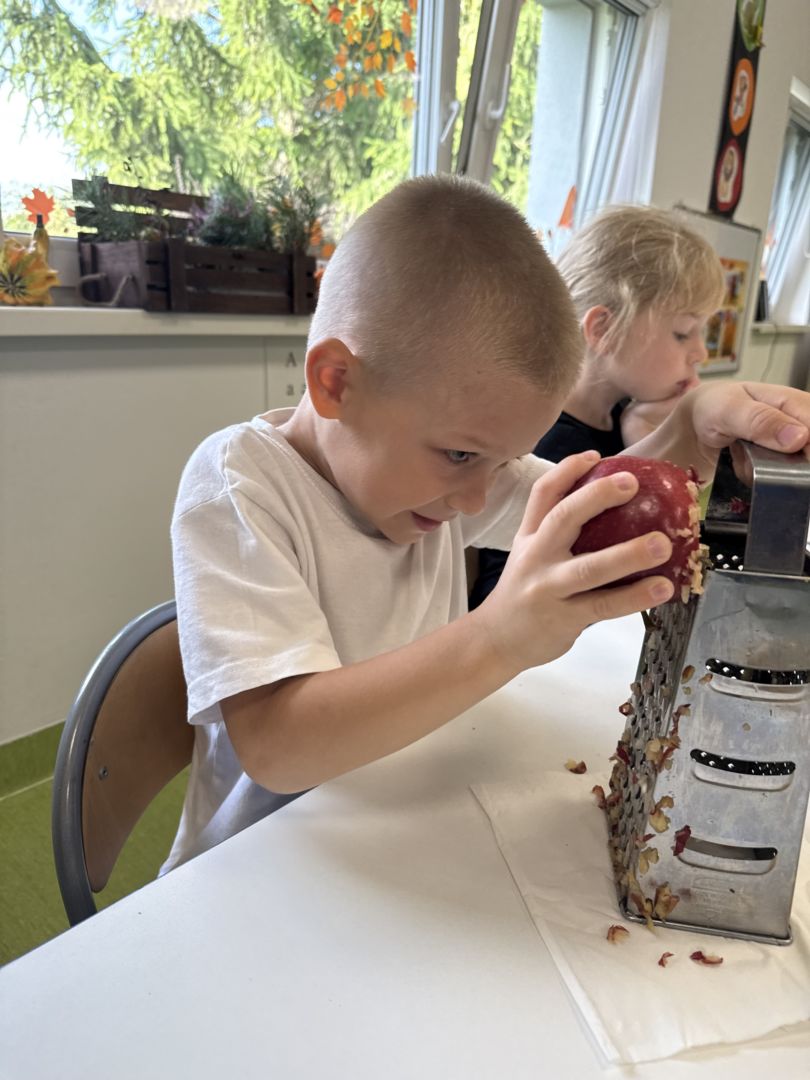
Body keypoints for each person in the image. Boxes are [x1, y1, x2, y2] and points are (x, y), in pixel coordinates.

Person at [163, 176, 810, 872]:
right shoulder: (241, 487)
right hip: (260, 870)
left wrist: (691, 425)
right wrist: (499, 637)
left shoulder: (440, 481)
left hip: (394, 829)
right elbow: (278, 747)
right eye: (461, 455)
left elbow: (596, 501)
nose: (477, 501)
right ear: (337, 383)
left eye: (501, 463)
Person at [470, 204, 725, 607]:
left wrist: (645, 431)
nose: (700, 353)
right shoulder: (552, 442)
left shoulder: (621, 415)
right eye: (682, 333)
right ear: (603, 330)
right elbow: (504, 591)